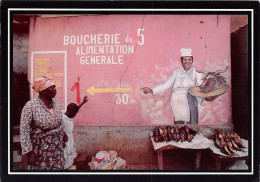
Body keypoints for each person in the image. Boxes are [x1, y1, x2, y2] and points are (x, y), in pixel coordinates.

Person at [141, 48, 216, 124]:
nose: (187, 61)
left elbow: (201, 87)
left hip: (191, 98)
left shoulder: (197, 73)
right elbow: (166, 84)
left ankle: (193, 133)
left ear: (192, 61)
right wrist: (152, 90)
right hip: (178, 99)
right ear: (181, 61)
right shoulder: (176, 73)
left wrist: (207, 94)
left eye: (189, 59)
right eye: (185, 60)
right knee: (178, 122)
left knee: (193, 122)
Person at [20, 76, 68, 170]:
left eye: (54, 86)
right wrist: (30, 152)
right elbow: (24, 130)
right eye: (52, 87)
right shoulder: (31, 106)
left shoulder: (56, 103)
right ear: (43, 90)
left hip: (56, 146)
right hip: (39, 148)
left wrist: (63, 134)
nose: (55, 89)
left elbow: (60, 121)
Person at [62, 96, 88, 169]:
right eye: (75, 113)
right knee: (65, 158)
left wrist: (83, 102)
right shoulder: (62, 118)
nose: (75, 115)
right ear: (71, 112)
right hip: (64, 142)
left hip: (70, 141)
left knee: (70, 157)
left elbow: (76, 108)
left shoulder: (69, 116)